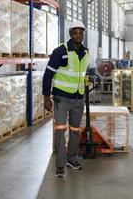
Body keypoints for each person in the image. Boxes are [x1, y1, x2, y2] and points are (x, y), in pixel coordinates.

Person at [42, 21, 89, 178]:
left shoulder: (86, 52)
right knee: (60, 132)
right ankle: (60, 165)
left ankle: (72, 159)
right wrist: (46, 97)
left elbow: (80, 74)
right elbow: (48, 75)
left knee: (75, 131)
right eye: (75, 32)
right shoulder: (60, 51)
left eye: (81, 32)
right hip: (61, 99)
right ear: (70, 34)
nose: (78, 35)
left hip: (78, 99)